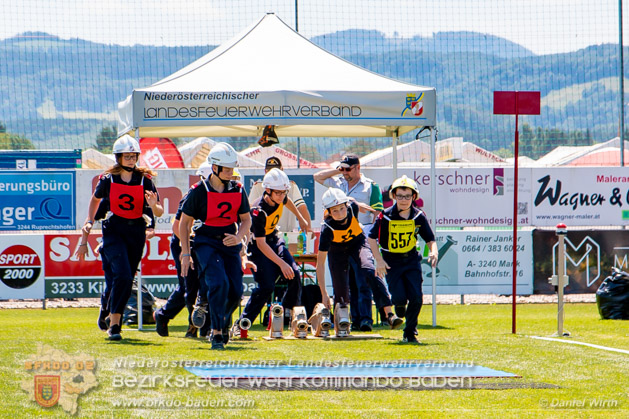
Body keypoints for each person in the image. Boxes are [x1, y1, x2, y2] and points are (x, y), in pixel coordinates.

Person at [76, 135, 163, 341]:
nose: (131, 160)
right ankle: (115, 325)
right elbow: (95, 200)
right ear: (118, 158)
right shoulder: (107, 180)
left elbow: (158, 212)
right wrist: (89, 221)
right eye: (127, 156)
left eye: (134, 156)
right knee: (122, 276)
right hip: (114, 230)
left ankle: (107, 309)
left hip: (136, 233)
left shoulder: (146, 181)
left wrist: (152, 205)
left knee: (124, 278)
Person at [179, 142, 251, 350]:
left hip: (229, 243)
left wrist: (238, 237)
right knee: (219, 284)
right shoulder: (198, 191)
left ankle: (221, 321)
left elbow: (246, 220)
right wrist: (185, 253)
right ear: (215, 168)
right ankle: (217, 332)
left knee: (236, 292)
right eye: (226, 169)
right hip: (205, 243)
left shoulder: (238, 189)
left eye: (232, 169)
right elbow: (184, 224)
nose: (230, 173)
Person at [315, 188, 403, 332]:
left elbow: (357, 204)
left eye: (342, 209)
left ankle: (389, 314)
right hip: (337, 252)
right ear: (328, 212)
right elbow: (320, 264)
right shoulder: (327, 228)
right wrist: (324, 293)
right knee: (341, 292)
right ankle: (343, 323)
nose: (340, 214)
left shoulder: (352, 206)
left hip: (357, 244)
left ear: (347, 206)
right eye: (334, 211)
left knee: (368, 270)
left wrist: (369, 209)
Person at [234, 168, 310, 334]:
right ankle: (241, 325)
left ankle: (289, 317)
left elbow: (287, 201)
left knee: (295, 274)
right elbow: (261, 244)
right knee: (266, 286)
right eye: (278, 193)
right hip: (258, 246)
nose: (282, 196)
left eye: (284, 192)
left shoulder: (279, 197)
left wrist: (301, 217)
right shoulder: (258, 211)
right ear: (267, 190)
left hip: (275, 239)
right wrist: (282, 264)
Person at [314, 154, 384, 330]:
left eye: (348, 168)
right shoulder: (337, 182)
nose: (344, 172)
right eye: (342, 168)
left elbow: (377, 212)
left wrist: (373, 237)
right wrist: (338, 169)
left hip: (361, 235)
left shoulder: (371, 186)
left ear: (358, 167)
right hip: (338, 240)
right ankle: (345, 320)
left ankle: (366, 319)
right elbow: (317, 177)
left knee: (363, 279)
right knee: (344, 284)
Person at [368, 175, 438, 343]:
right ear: (393, 196)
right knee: (399, 297)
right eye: (400, 196)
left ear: (414, 197)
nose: (404, 200)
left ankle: (410, 332)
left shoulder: (418, 216)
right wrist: (379, 260)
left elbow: (430, 239)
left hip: (412, 260)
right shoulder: (385, 216)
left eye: (407, 196)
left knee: (416, 297)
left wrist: (433, 252)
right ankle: (399, 305)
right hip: (392, 262)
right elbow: (371, 238)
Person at [153, 164, 213, 338]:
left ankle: (165, 316)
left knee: (198, 286)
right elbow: (177, 226)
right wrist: (185, 249)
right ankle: (193, 327)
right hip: (185, 243)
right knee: (190, 287)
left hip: (198, 244)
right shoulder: (192, 196)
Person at [248, 156, 312, 233]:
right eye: (277, 192)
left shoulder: (291, 186)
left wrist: (305, 223)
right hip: (263, 233)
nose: (275, 174)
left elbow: (300, 206)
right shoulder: (258, 186)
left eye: (283, 192)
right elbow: (250, 210)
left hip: (285, 233)